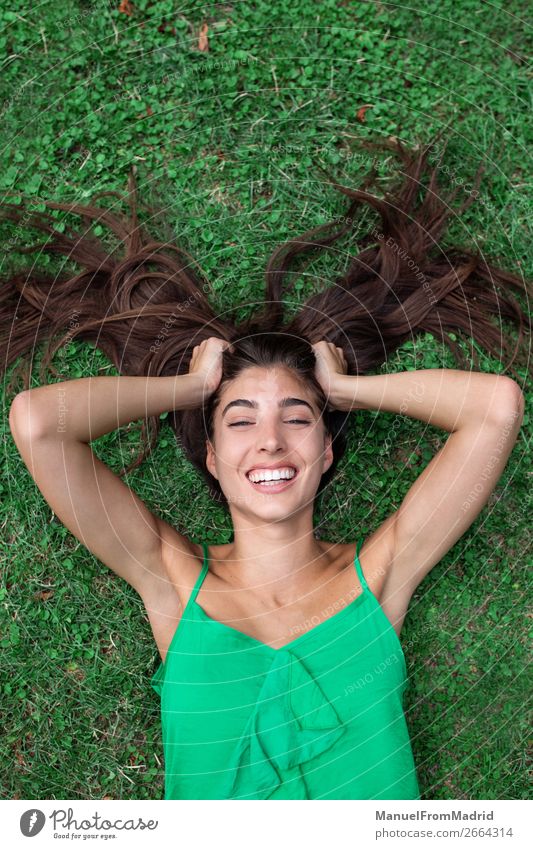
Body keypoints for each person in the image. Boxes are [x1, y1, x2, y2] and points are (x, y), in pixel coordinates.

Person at [3, 132, 530, 800]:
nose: (271, 441)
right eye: (241, 419)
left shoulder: (380, 574)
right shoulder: (169, 579)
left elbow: (496, 407)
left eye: (298, 417)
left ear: (327, 450)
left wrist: (345, 390)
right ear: (211, 456)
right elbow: (38, 423)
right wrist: (189, 389)